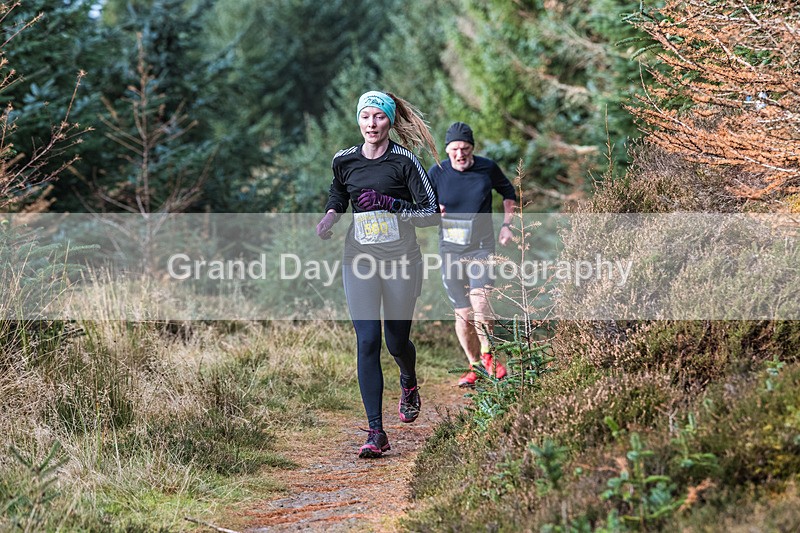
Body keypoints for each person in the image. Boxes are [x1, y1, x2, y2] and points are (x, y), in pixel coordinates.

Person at [316, 90, 440, 458]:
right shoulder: (344, 160)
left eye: (379, 117)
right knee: (367, 340)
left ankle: (408, 380)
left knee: (395, 342)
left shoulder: (405, 162)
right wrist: (330, 217)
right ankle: (376, 432)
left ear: (389, 121)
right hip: (360, 260)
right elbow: (338, 194)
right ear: (358, 120)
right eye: (366, 117)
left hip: (402, 261)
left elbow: (431, 213)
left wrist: (392, 204)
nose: (372, 124)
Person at [428, 121, 517, 387]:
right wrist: (434, 212)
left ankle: (489, 355)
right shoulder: (437, 173)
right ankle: (474, 365)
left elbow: (508, 192)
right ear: (447, 150)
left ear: (472, 148)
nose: (460, 154)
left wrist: (507, 225)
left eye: (465, 148)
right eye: (454, 149)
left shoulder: (487, 168)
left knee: (480, 301)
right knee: (464, 313)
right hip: (450, 250)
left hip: (481, 247)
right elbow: (421, 206)